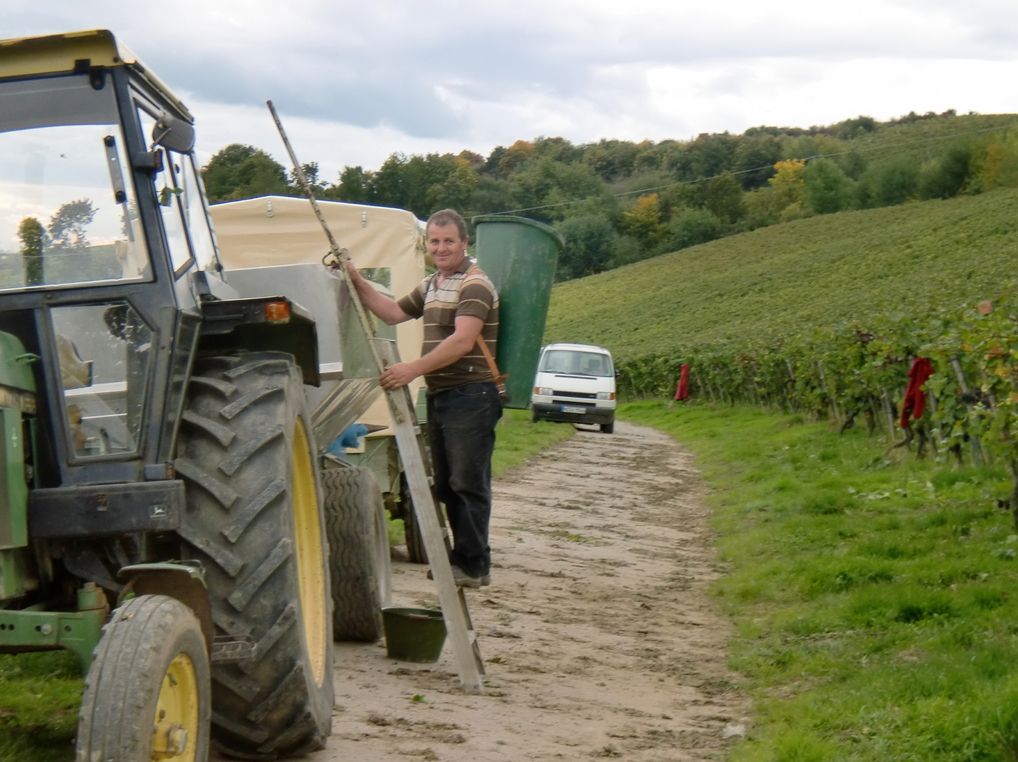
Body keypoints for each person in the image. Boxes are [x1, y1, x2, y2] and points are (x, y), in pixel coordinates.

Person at [344, 208, 502, 588]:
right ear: (427, 244)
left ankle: (474, 564)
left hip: (473, 393)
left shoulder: (475, 285)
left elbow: (463, 341)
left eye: (449, 241)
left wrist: (411, 369)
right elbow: (393, 312)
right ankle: (463, 557)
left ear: (465, 243)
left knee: (468, 480)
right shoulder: (433, 284)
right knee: (447, 483)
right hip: (443, 393)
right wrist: (355, 279)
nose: (441, 248)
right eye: (434, 241)